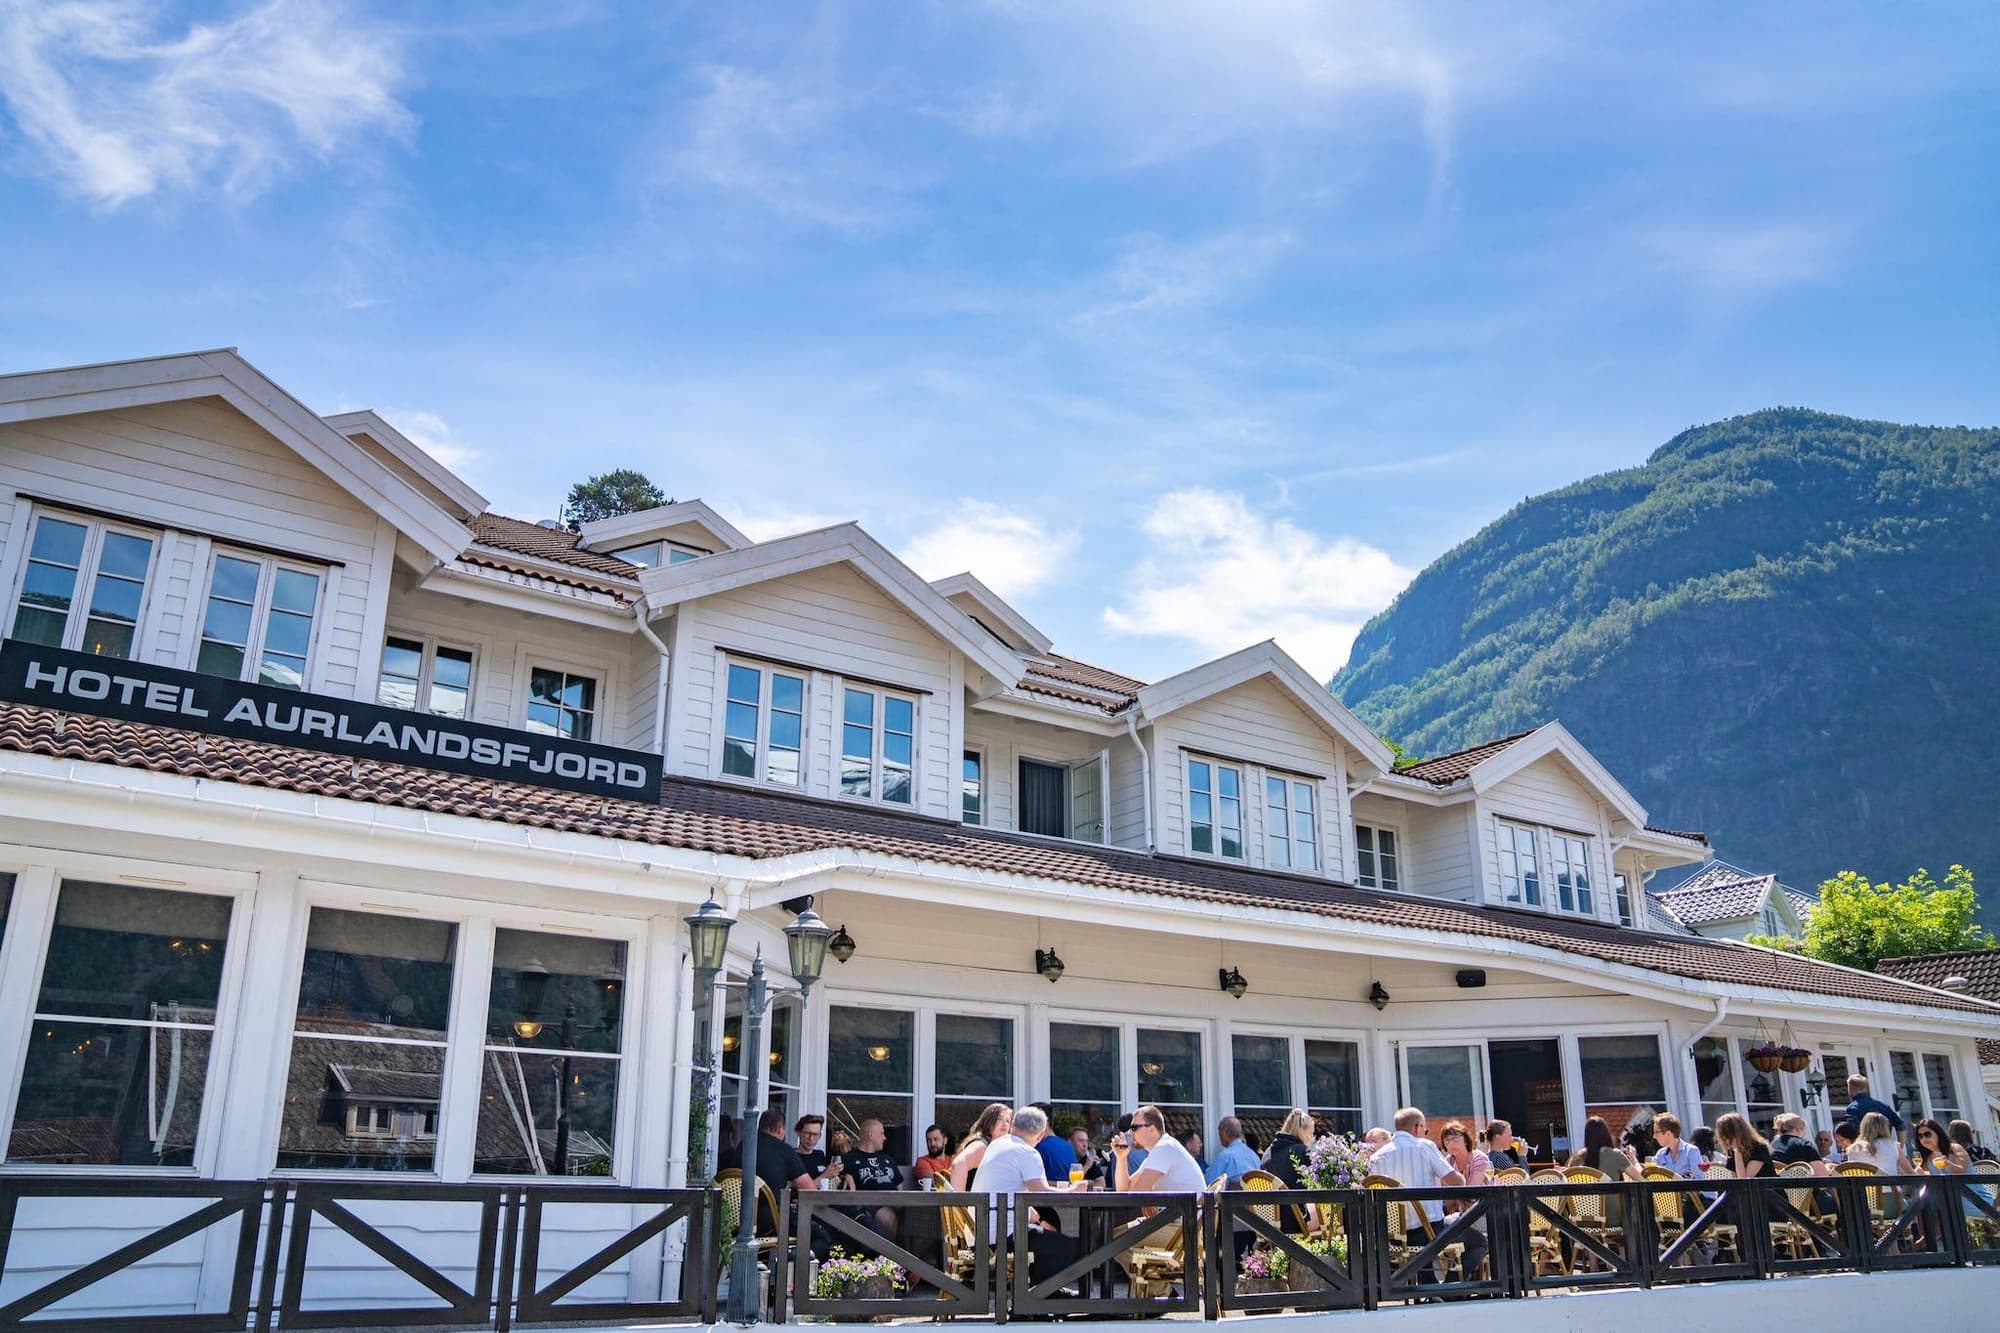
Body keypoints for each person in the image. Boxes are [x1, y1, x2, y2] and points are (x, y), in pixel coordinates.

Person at [1369, 1108, 1485, 1285]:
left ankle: (1430, 1291)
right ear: (1417, 1128)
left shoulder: (1377, 1157)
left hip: (1392, 1235)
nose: (1424, 1133)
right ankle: (1448, 1290)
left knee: (1437, 1230)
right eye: (1424, 1129)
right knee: (1478, 1242)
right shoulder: (1423, 1147)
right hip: (1428, 1231)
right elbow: (1457, 1182)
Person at [969, 1106, 1081, 1288]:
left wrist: (1038, 1220)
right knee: (1068, 1247)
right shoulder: (1027, 1152)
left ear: (1013, 1124)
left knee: (1047, 1238)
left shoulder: (997, 1144)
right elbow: (1042, 1194)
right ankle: (1036, 1299)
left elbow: (1012, 1190)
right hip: (1002, 1237)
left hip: (981, 1234)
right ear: (1040, 1135)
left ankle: (1038, 1296)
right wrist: (1073, 1190)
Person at [752, 1107, 828, 1255]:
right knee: (821, 1237)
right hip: (771, 1222)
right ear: (780, 1128)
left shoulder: (743, 1147)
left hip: (740, 1221)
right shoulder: (784, 1150)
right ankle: (791, 1271)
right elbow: (810, 1190)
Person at [1112, 1104, 1206, 1193]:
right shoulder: (1160, 1150)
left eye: (1134, 1128)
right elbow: (1124, 1192)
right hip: (1184, 1209)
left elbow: (1137, 1195)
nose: (1130, 1133)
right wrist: (1121, 1158)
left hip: (1191, 1210)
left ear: (1151, 1129)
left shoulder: (1164, 1148)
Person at [842, 1118, 906, 1241]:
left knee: (922, 1216)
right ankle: (885, 1257)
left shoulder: (887, 1158)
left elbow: (900, 1185)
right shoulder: (848, 1158)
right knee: (886, 1216)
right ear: (871, 1135)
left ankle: (911, 1258)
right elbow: (840, 1183)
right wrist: (845, 1175)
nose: (885, 1138)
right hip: (867, 1206)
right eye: (882, 1133)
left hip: (894, 1203)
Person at [950, 1103, 1012, 1191]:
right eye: (999, 1119)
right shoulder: (981, 1146)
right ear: (989, 1121)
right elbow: (958, 1164)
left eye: (1008, 1121)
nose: (1004, 1124)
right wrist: (959, 1202)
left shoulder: (997, 1147)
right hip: (974, 1203)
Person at [1568, 1115, 1640, 1180]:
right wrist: (1633, 1158)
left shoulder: (1576, 1158)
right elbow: (1641, 1180)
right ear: (1606, 1134)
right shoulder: (1616, 1155)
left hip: (1584, 1194)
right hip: (1611, 1194)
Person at [1261, 1109, 1314, 1188]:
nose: (1312, 1138)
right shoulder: (1302, 1151)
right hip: (1297, 1199)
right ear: (1302, 1130)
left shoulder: (1268, 1152)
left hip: (1268, 1199)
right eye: (1311, 1133)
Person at [1845, 1111, 1909, 1173]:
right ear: (1885, 1128)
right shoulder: (1893, 1146)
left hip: (1864, 1184)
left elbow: (1851, 1176)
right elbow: (1910, 1174)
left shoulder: (1853, 1149)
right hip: (1888, 1183)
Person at [1031, 1102, 1079, 1184]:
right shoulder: (1068, 1147)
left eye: (1029, 1121)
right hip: (1068, 1194)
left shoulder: (1037, 1149)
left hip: (1044, 1195)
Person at [1205, 1116, 1260, 1186]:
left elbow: (1208, 1184)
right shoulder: (1254, 1157)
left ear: (1224, 1133)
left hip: (1232, 1197)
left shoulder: (1224, 1157)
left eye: (1219, 1133)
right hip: (1254, 1196)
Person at [1715, 1113, 1771, 1179]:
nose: (1726, 1140)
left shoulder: (1759, 1148)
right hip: (1748, 1188)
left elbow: (1743, 1180)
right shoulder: (1731, 1151)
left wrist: (1737, 1149)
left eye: (1728, 1135)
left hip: (1766, 1188)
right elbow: (1734, 1178)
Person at [1651, 1113, 1704, 1178]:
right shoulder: (1660, 1154)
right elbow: (1653, 1177)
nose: (1654, 1136)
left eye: (1656, 1132)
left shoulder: (1691, 1151)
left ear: (1668, 1133)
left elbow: (1698, 1179)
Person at [795, 1114, 842, 1188]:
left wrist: (846, 1175)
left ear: (820, 1136)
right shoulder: (792, 1156)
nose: (811, 1138)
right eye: (808, 1133)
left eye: (815, 1134)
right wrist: (825, 1176)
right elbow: (800, 1191)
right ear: (799, 1133)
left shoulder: (820, 1155)